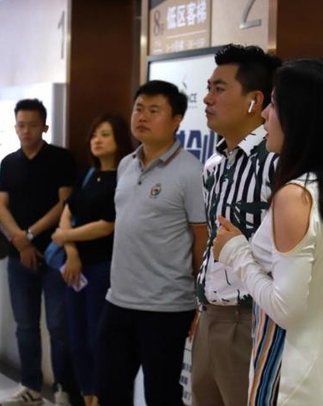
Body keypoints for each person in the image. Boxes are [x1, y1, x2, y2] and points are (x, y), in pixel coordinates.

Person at [213, 58, 323, 405]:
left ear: (301, 117)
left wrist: (236, 252)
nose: (264, 115)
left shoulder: (295, 197)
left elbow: (286, 308)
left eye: (273, 104)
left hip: (293, 380)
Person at [95, 81, 207, 406]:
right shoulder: (126, 164)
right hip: (119, 300)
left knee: (162, 396)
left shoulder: (191, 171)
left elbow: (201, 239)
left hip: (166, 307)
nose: (142, 116)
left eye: (154, 110)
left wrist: (199, 299)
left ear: (176, 121)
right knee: (110, 391)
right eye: (138, 108)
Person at [192, 44, 281, 406]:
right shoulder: (214, 164)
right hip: (208, 315)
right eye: (208, 88)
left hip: (252, 320)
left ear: (254, 101)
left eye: (219, 89)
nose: (207, 99)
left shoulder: (275, 161)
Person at [0, 99, 76, 406]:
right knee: (26, 326)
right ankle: (30, 386)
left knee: (58, 326)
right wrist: (20, 240)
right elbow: (1, 207)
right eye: (21, 125)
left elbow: (64, 204)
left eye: (32, 125)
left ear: (44, 126)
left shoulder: (60, 158)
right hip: (19, 257)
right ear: (15, 127)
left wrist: (29, 235)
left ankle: (63, 389)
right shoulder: (8, 162)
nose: (26, 130)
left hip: (55, 254)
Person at [52, 113, 133, 406]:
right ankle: (87, 395)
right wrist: (71, 252)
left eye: (105, 135)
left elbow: (107, 225)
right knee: (75, 337)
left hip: (103, 268)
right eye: (94, 135)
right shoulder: (88, 175)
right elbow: (67, 211)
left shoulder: (124, 178)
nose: (97, 140)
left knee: (97, 339)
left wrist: (64, 236)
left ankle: (101, 396)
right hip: (76, 268)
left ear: (119, 140)